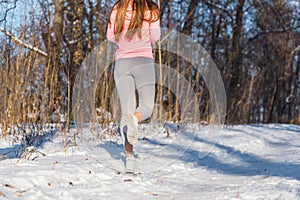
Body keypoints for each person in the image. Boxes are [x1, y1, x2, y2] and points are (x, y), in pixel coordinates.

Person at [106, 0, 160, 173]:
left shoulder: (118, 8)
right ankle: (136, 119)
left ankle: (129, 160)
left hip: (122, 63)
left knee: (126, 111)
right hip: (143, 60)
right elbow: (155, 36)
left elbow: (110, 36)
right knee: (146, 106)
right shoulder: (151, 8)